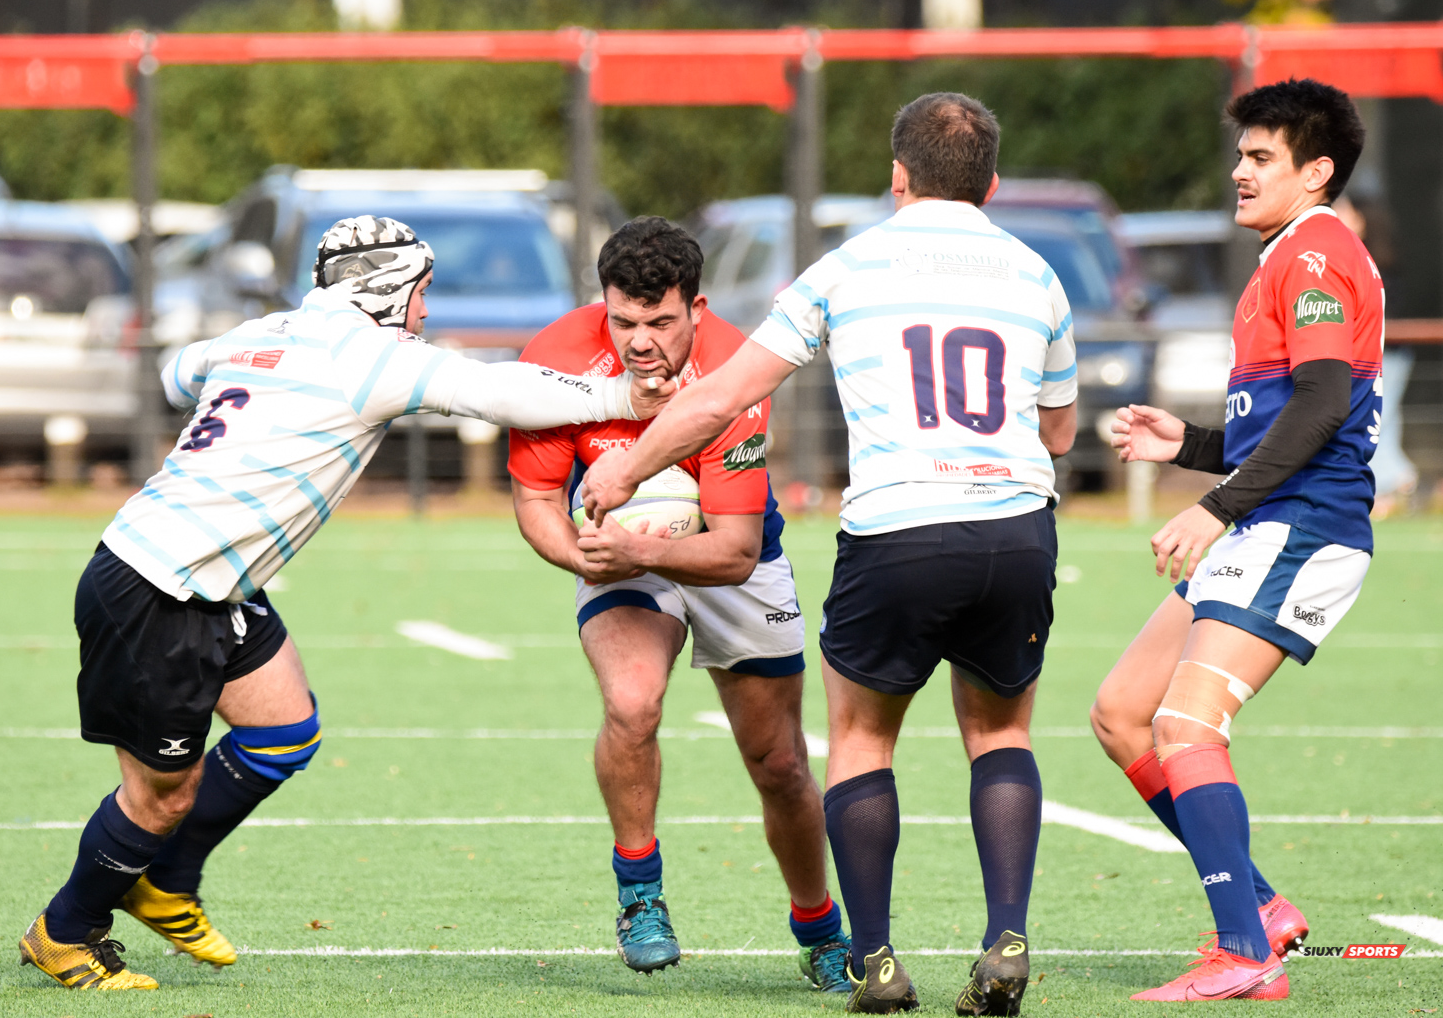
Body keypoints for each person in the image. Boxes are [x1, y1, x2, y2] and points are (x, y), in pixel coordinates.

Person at [17, 216, 674, 991]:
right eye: (422, 292)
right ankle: (66, 930)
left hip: (210, 580)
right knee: (161, 797)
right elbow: (496, 389)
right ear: (388, 290)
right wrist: (622, 396)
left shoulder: (267, 331)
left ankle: (166, 880)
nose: (425, 310)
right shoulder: (370, 357)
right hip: (158, 585)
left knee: (283, 730)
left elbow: (175, 372)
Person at [578, 94, 1077, 1016]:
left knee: (860, 740)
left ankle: (876, 960)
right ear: (992, 185)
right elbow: (1059, 431)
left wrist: (626, 467)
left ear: (897, 176)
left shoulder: (848, 268)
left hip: (897, 527)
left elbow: (717, 398)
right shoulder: (1038, 274)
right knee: (1001, 735)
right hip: (1016, 526)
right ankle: (1007, 937)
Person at [1091, 79, 1381, 1002]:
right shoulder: (1288, 253)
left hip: (1302, 525)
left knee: (1186, 725)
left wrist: (1213, 506)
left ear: (1316, 171)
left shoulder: (1317, 252)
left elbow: (1324, 406)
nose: (1239, 171)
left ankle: (1243, 951)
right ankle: (1260, 908)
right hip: (1270, 517)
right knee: (1122, 711)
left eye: (1261, 157)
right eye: (1242, 153)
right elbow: (1288, 417)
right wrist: (1188, 444)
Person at [507, 217, 851, 990]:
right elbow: (535, 500)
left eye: (660, 322)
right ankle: (640, 895)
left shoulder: (734, 368)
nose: (640, 341)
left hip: (731, 554)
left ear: (696, 306)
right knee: (632, 703)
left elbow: (734, 551)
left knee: (780, 762)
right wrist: (585, 557)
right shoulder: (558, 354)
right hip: (620, 551)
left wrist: (639, 550)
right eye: (623, 320)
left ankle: (820, 927)